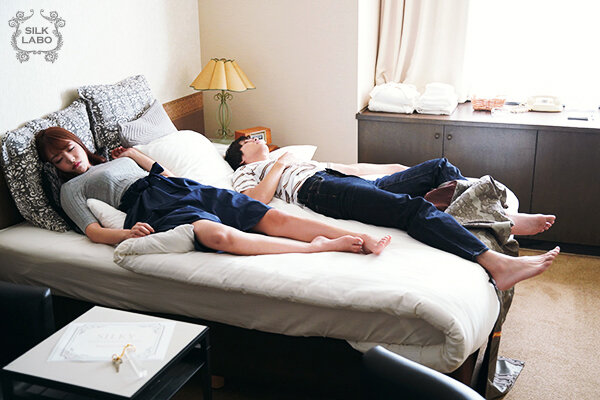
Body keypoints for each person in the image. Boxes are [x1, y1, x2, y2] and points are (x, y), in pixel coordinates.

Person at [225, 136, 560, 290]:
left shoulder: (290, 158)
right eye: (248, 140)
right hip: (320, 191)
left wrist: (395, 171)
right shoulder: (247, 172)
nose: (255, 138)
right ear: (241, 155)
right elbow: (258, 201)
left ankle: (496, 215)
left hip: (338, 180)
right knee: (412, 209)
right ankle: (494, 262)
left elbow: (347, 168)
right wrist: (279, 164)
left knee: (437, 168)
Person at [35, 127, 392, 256]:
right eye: (58, 159)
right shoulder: (72, 189)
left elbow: (166, 173)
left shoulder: (119, 159)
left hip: (178, 187)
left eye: (70, 149)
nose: (69, 160)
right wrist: (127, 234)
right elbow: (93, 231)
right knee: (219, 236)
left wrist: (133, 154)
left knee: (272, 218)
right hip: (149, 206)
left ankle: (361, 238)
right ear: (54, 166)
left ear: (79, 143)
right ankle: (317, 248)